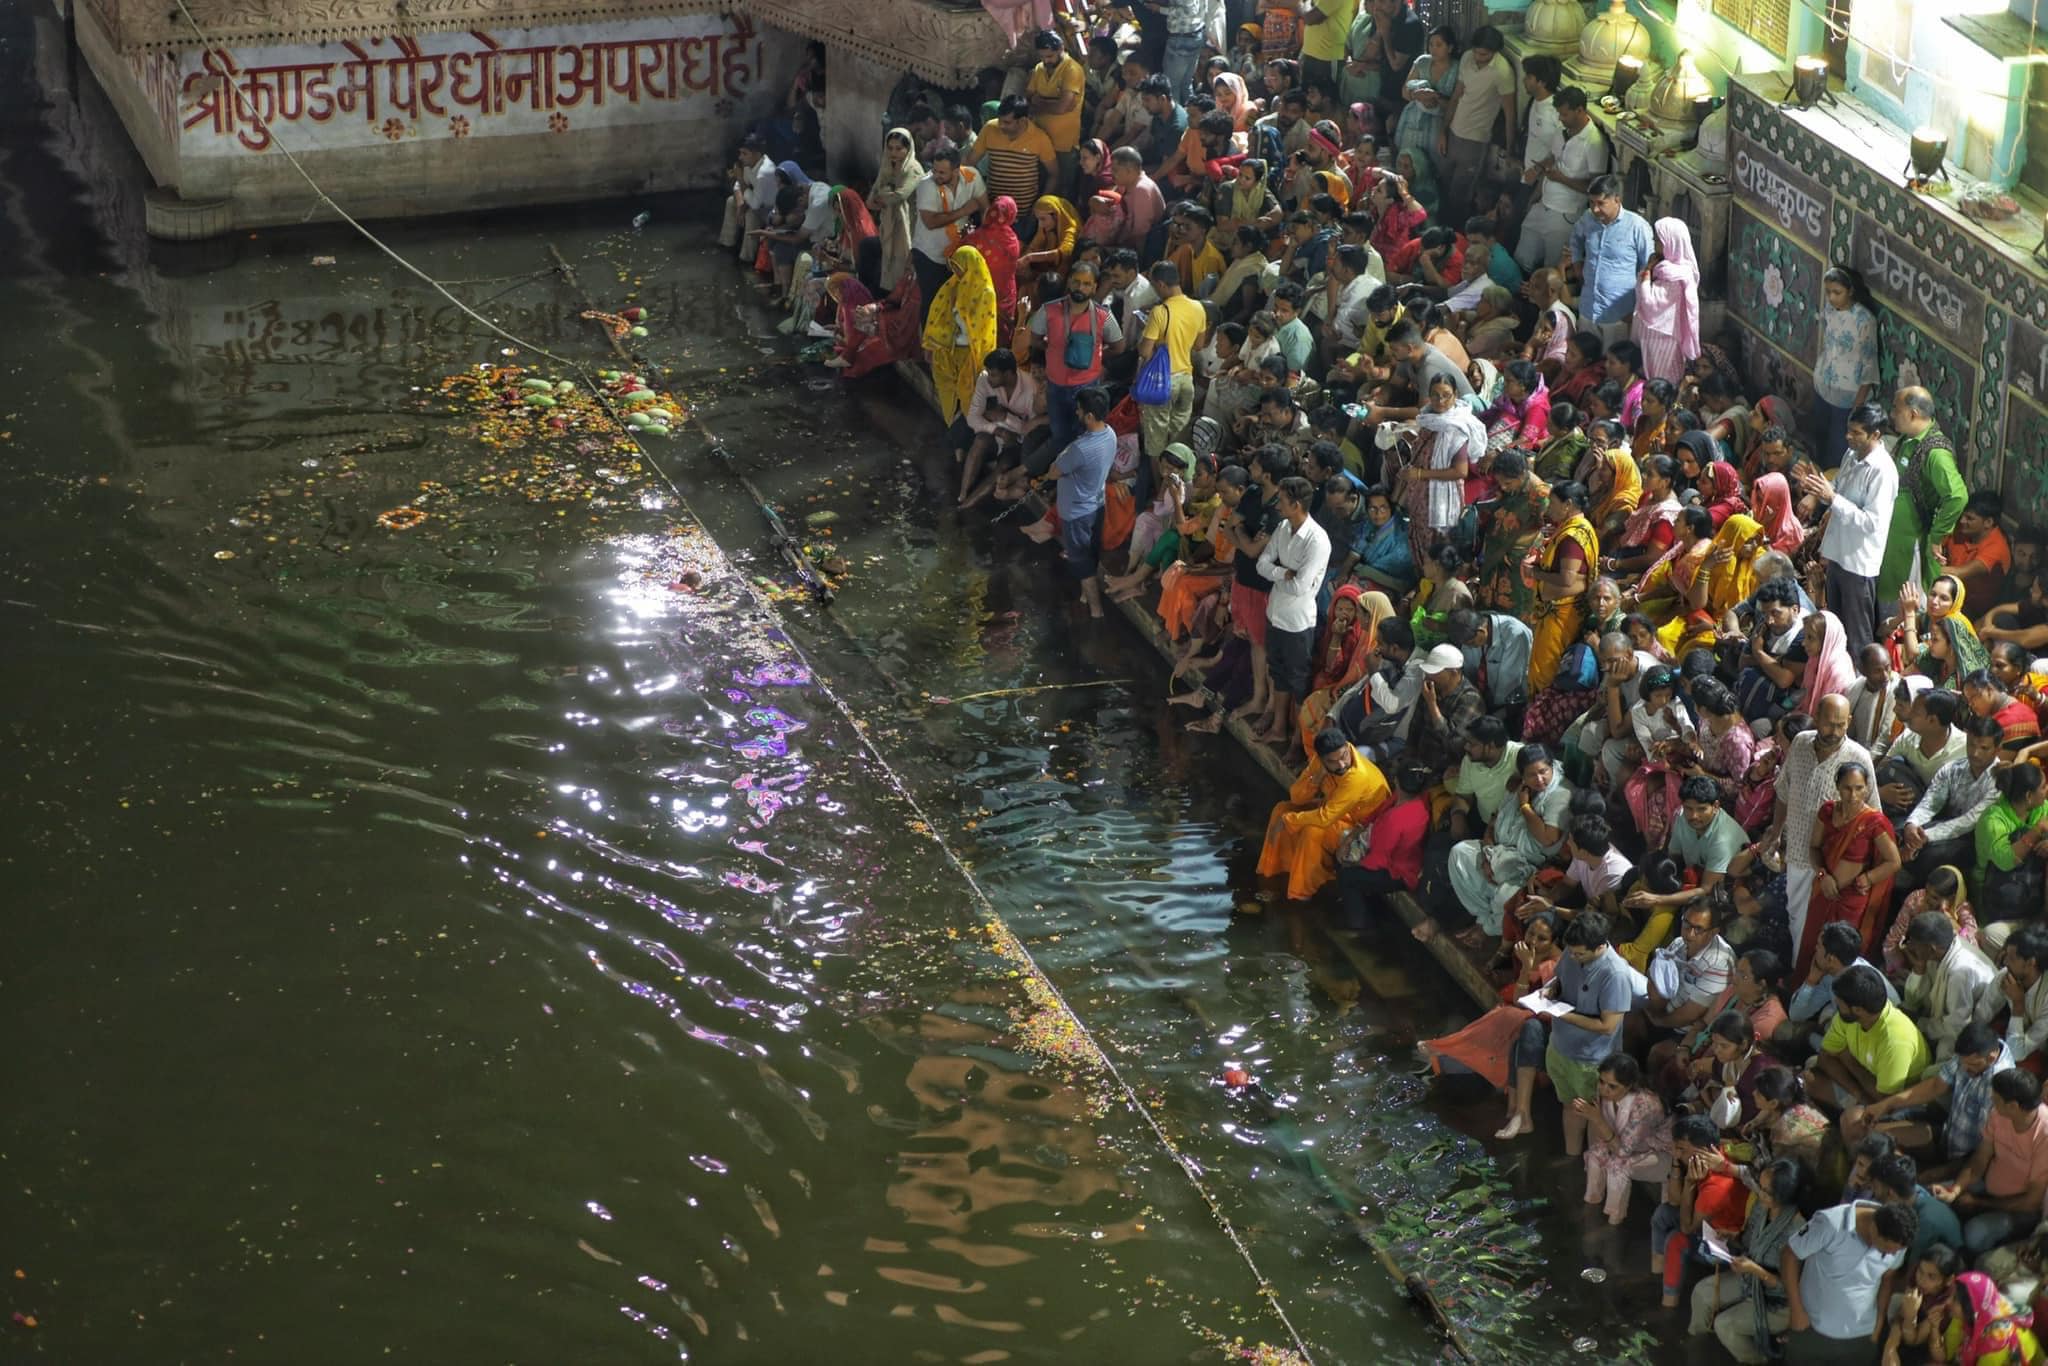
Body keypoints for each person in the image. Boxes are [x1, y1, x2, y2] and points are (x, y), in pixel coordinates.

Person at [1438, 744, 1571, 950]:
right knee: (1460, 853)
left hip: (1528, 867)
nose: (1539, 779)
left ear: (1552, 767)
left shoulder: (1561, 793)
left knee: (1507, 895)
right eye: (1531, 774)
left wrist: (1525, 806)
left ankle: (1488, 929)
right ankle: (1483, 918)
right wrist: (1486, 853)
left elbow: (1547, 838)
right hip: (1498, 851)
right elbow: (1495, 819)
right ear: (1522, 775)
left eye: (1544, 772)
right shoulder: (1519, 786)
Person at [1843, 1021, 2013, 1171]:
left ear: (1991, 1058)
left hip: (1963, 1160)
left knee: (1876, 1146)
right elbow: (1935, 1086)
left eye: (1972, 1066)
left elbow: (1984, 1147)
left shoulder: (1999, 1085)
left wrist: (1945, 1175)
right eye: (1963, 1063)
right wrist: (1886, 1104)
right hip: (1947, 1133)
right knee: (1856, 1122)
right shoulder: (1974, 1053)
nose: (1965, 1069)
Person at [1688, 1157, 1810, 1363]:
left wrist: (1755, 1270)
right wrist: (1731, 1236)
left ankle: (1755, 1360)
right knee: (1702, 1293)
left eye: (1766, 1191)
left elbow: (1788, 1289)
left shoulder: (1798, 1230)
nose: (1759, 1193)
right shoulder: (1762, 1208)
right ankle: (1698, 1346)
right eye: (1760, 1187)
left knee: (1725, 1325)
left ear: (1783, 1195)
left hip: (1778, 1302)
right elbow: (1748, 1240)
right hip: (1749, 1280)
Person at [1802, 401, 1898, 658]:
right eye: (1849, 430)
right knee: (1835, 628)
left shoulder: (1882, 472)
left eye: (1856, 433)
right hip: (1838, 554)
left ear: (1875, 435)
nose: (1849, 437)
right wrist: (1819, 488)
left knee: (1858, 637)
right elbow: (1838, 493)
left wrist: (1832, 498)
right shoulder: (1851, 455)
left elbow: (1872, 523)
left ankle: (1862, 686)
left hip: (1858, 563)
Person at [1255, 727, 1389, 902]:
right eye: (1333, 761)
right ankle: (1275, 873)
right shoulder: (1319, 762)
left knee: (1312, 831)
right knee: (1281, 809)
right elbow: (1296, 797)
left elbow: (1325, 818)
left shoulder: (1358, 776)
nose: (1341, 765)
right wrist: (1317, 778)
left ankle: (1302, 892)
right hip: (1337, 813)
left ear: (1348, 748)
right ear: (1322, 759)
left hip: (1362, 829)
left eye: (1343, 756)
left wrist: (1289, 820)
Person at [1780, 1198, 1916, 1361]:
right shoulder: (1830, 1223)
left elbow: (1887, 1281)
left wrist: (1877, 1327)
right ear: (1874, 1228)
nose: (1891, 1255)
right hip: (1812, 1328)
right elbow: (1789, 1254)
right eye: (1886, 1250)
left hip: (1861, 1338)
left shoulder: (1898, 1241)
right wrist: (1796, 1310)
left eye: (1897, 1251)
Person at [1252, 476, 1333, 745]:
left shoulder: (1317, 540)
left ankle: (1300, 742)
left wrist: (1279, 576)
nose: (1277, 506)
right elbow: (1261, 564)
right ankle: (1278, 728)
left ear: (1296, 504)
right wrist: (1283, 573)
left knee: (1299, 684)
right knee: (1278, 674)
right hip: (1275, 614)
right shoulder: (1284, 527)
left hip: (1298, 624)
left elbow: (1300, 587)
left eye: (1282, 501)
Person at [1932, 1068, 2048, 1253]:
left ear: (2013, 1106)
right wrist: (1956, 1189)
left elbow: (2031, 1201)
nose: (1991, 1101)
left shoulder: (2044, 1135)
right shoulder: (1999, 1114)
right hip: (1988, 1188)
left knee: (1974, 1234)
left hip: (2019, 1209)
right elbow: (1981, 1157)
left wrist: (1979, 1203)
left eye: (1996, 1098)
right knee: (1939, 1196)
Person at [1877, 386, 1969, 619]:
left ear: (1913, 413)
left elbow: (1957, 496)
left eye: (1896, 409)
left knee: (1900, 610)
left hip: (1909, 548)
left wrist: (1938, 536)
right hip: (1890, 543)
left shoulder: (1936, 453)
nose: (1892, 414)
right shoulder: (1908, 439)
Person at [1808, 962, 1932, 1111]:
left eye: (1839, 1002)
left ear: (1858, 1010)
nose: (1836, 1003)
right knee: (1808, 1077)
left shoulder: (1895, 1041)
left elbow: (1885, 1100)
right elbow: (1825, 1057)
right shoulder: (1848, 1017)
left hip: (1894, 1104)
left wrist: (1848, 1059)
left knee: (1853, 1120)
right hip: (1863, 1088)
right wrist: (1857, 1092)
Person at [1041, 384, 1119, 617]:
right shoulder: (1111, 434)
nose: (1076, 413)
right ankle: (1086, 598)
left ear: (1090, 416)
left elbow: (1054, 471)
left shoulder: (1080, 448)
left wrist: (1061, 458)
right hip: (1097, 505)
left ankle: (1095, 610)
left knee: (1081, 562)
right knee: (1091, 552)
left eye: (1079, 410)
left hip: (1076, 513)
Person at [1901, 716, 2005, 886]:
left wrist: (1926, 837)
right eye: (1971, 744)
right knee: (1901, 830)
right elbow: (1931, 802)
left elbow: (1968, 822)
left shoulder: (1999, 781)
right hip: (1944, 827)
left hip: (1973, 840)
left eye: (1984, 748)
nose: (1975, 753)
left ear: (1997, 749)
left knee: (1930, 855)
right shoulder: (1952, 769)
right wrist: (1912, 825)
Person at [1433, 25, 1512, 227]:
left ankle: (1455, 235)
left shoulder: (1502, 72)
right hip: (1453, 133)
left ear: (1494, 52)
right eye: (1476, 51)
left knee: (1460, 195)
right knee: (1442, 184)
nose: (1478, 56)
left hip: (1475, 141)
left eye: (1484, 54)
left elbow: (1510, 114)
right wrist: (1444, 131)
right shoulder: (1468, 58)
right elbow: (1456, 96)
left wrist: (1510, 150)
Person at [1579, 1053, 1671, 1224]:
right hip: (1628, 1145)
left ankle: (1614, 1219)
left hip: (1660, 1154)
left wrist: (1597, 1119)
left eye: (1612, 1086)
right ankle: (1592, 1203)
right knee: (1594, 1156)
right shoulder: (1605, 1095)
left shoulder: (1645, 1105)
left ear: (1628, 1086)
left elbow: (1622, 1151)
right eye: (1601, 1082)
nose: (1603, 1089)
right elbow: (1606, 1138)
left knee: (1617, 1166)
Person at [1897, 911, 2000, 1063]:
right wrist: (1919, 968)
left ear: (1931, 949)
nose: (1911, 948)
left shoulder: (1959, 972)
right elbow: (1916, 999)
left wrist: (1921, 1024)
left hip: (1975, 1024)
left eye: (1914, 944)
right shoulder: (1940, 950)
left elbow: (1957, 1026)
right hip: (1947, 1017)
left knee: (1944, 1051)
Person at [1563, 173, 1654, 345]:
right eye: (1591, 203)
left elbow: (1647, 269)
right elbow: (1575, 238)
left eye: (1601, 203)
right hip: (1588, 308)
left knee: (1612, 365)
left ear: (1617, 200)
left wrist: (1636, 309)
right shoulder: (1587, 219)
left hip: (1619, 315)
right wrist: (1577, 262)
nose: (1595, 209)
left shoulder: (1637, 227)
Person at [1526, 481, 1598, 692]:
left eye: (1553, 503)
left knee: (1545, 670)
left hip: (1561, 613)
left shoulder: (1572, 538)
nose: (1549, 508)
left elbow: (1567, 578)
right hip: (1561, 609)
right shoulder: (1577, 528)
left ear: (1567, 505)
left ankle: (1540, 713)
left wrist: (1536, 573)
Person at [1812, 266, 1881, 472]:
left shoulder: (1864, 320)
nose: (1831, 298)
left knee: (1838, 447)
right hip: (1824, 387)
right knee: (1819, 438)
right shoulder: (1830, 311)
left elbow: (1869, 362)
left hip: (1848, 396)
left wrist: (1858, 405)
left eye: (1837, 292)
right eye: (1829, 292)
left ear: (1850, 291)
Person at [1137, 261, 1204, 457]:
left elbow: (1144, 352)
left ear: (1161, 284)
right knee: (1178, 446)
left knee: (1156, 445)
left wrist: (1154, 340)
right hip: (1186, 380)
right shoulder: (1198, 307)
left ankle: (1159, 486)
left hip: (1162, 382)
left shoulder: (1160, 312)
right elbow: (1199, 345)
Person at [1632, 217, 1700, 385]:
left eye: (1659, 240)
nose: (1655, 243)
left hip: (1662, 337)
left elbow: (1650, 303)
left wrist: (1647, 273)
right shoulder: (1662, 266)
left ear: (1671, 242)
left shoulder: (1677, 275)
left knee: (1659, 380)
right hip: (1649, 332)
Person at [1028, 29, 1089, 196]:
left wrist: (1040, 102)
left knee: (1063, 189)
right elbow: (1029, 98)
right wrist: (1052, 103)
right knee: (1040, 185)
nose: (1046, 61)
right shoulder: (1039, 68)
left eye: (1050, 56)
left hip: (1064, 143)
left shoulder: (1072, 70)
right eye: (1042, 57)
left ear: (1061, 49)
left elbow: (1063, 106)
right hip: (1040, 139)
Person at [865, 128, 925, 292]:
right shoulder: (886, 167)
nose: (894, 153)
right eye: (890, 148)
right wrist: (883, 197)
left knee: (905, 266)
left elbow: (900, 195)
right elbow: (870, 200)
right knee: (889, 266)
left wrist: (882, 196)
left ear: (908, 148)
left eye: (899, 149)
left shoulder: (913, 169)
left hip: (909, 226)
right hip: (889, 225)